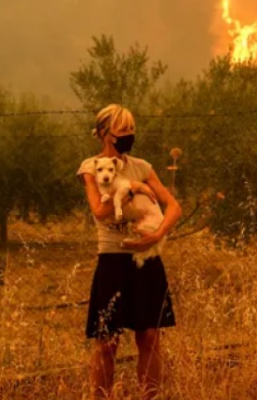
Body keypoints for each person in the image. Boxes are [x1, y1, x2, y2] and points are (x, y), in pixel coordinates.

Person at [76, 104, 183, 399]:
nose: (128, 136)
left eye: (131, 130)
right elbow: (99, 210)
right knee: (107, 341)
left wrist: (156, 236)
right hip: (112, 258)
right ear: (103, 134)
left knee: (150, 336)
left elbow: (173, 207)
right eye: (122, 131)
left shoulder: (143, 166)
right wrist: (132, 188)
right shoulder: (91, 167)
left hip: (147, 259)